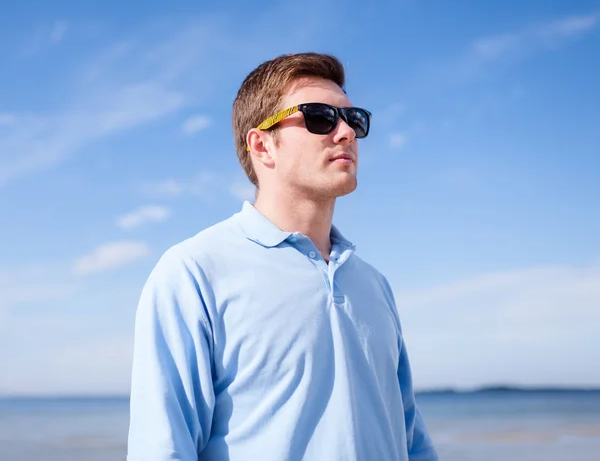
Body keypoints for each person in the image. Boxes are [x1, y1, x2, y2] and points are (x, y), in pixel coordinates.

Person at [127, 53, 438, 461]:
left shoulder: (373, 284)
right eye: (320, 117)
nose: (346, 133)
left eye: (354, 119)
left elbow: (410, 438)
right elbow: (163, 450)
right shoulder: (193, 272)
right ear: (262, 145)